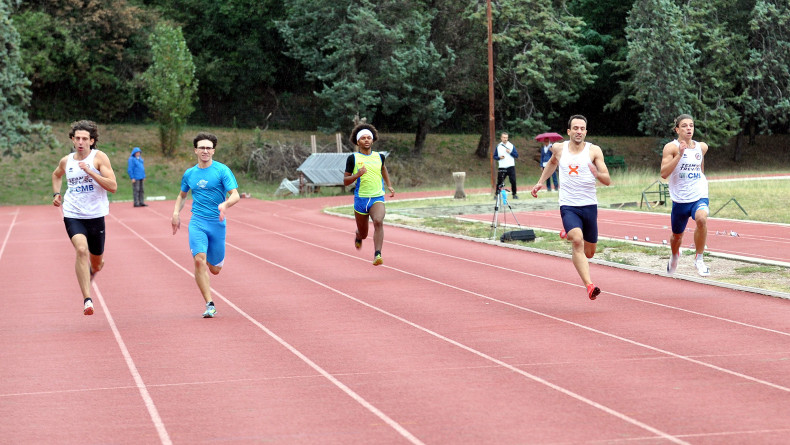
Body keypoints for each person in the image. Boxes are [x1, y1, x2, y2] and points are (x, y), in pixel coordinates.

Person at [530, 115, 611, 300]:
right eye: (575, 128)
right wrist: (540, 182)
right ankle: (589, 285)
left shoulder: (594, 151)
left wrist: (597, 174)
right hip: (568, 205)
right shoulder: (559, 148)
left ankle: (568, 232)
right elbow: (552, 163)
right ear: (569, 131)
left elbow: (607, 180)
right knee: (577, 240)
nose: (578, 131)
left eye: (582, 128)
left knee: (590, 253)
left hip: (589, 206)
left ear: (586, 132)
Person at [51, 120, 118, 315]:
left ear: (92, 141)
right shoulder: (66, 161)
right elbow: (56, 175)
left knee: (96, 264)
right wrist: (56, 194)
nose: (80, 142)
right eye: (77, 138)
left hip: (95, 216)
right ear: (72, 140)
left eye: (85, 139)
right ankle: (87, 300)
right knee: (81, 250)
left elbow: (113, 186)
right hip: (73, 214)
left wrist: (90, 172)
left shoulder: (99, 158)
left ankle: (95, 267)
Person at [172, 132, 240, 318]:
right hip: (198, 222)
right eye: (202, 147)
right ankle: (210, 304)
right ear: (195, 150)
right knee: (198, 260)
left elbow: (235, 195)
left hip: (217, 223)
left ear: (213, 151)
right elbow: (182, 195)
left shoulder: (222, 170)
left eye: (209, 148)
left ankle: (210, 257)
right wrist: (176, 213)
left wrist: (225, 205)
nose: (205, 151)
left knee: (215, 269)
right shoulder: (190, 174)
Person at [660, 114, 710, 277]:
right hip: (680, 199)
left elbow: (700, 169)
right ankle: (675, 255)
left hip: (699, 194)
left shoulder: (701, 147)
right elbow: (664, 173)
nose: (689, 128)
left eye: (691, 125)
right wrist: (680, 155)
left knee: (701, 219)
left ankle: (699, 259)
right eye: (684, 126)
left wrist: (700, 182)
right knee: (676, 237)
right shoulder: (671, 148)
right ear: (677, 130)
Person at [343, 123, 395, 266]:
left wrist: (389, 185)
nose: (366, 140)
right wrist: (357, 175)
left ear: (372, 140)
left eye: (369, 138)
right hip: (361, 200)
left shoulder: (380, 157)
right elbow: (345, 181)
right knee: (364, 233)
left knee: (378, 221)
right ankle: (358, 235)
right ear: (358, 142)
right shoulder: (353, 158)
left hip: (377, 197)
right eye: (363, 138)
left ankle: (377, 254)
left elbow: (383, 169)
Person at [494, 132, 519, 198]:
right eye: (504, 137)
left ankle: (514, 194)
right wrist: (499, 157)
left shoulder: (511, 145)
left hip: (510, 166)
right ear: (501, 138)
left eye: (506, 138)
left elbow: (516, 155)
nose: (505, 139)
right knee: (500, 181)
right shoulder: (498, 146)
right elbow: (494, 156)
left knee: (513, 181)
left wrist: (510, 152)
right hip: (502, 166)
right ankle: (497, 194)